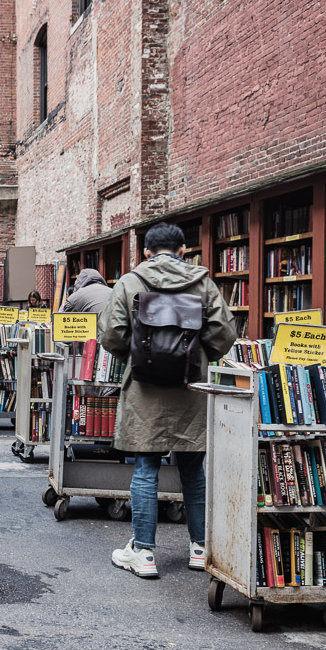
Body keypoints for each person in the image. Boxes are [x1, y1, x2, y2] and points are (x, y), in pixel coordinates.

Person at [99, 222, 237, 579]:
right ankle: (199, 548)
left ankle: (144, 552)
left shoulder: (131, 281)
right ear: (182, 250)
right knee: (193, 470)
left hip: (145, 389)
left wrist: (136, 357)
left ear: (146, 251)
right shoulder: (202, 282)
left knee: (145, 470)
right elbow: (224, 334)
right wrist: (197, 357)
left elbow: (112, 334)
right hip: (191, 387)